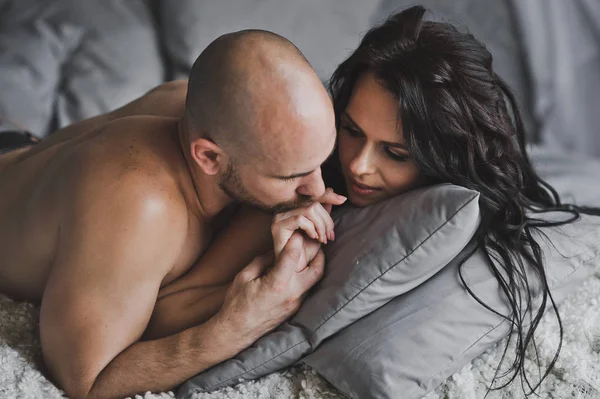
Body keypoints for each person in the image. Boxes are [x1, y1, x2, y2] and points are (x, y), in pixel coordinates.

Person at [151, 6, 600, 395]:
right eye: (351, 131)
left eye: (395, 152)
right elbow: (164, 311)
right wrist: (268, 275)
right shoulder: (303, 184)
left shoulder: (456, 203)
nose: (359, 165)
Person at [0, 30, 346, 399]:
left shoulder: (206, 104)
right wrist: (237, 327)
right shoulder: (140, 206)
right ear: (208, 157)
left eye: (321, 162)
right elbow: (85, 381)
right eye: (292, 176)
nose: (317, 188)